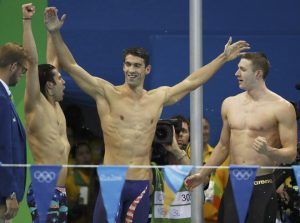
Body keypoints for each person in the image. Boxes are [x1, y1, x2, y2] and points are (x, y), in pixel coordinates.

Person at [44, 6, 249, 222]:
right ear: (123, 67)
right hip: (112, 181)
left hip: (140, 184)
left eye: (137, 65)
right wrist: (55, 33)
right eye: (128, 64)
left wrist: (223, 58)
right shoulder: (106, 93)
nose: (132, 69)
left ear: (147, 70)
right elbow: (72, 66)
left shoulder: (157, 98)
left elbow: (192, 82)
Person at [185, 52, 298, 223]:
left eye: (242, 69)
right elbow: (223, 146)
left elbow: (290, 153)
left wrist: (269, 151)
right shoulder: (230, 104)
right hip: (235, 184)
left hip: (263, 185)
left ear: (258, 73)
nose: (236, 73)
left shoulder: (282, 108)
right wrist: (203, 174)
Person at [22, 3, 70, 222]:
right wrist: (27, 22)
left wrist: (53, 32)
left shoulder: (56, 105)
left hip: (60, 190)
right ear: (49, 85)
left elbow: (53, 61)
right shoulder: (36, 104)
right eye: (59, 79)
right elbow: (32, 63)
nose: (64, 81)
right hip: (44, 188)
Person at [0, 42, 28, 223]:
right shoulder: (1, 98)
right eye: (22, 71)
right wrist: (9, 192)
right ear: (13, 66)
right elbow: (3, 147)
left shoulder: (4, 96)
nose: (21, 76)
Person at [149, 127, 191, 223]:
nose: (180, 134)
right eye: (175, 131)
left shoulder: (197, 165)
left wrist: (176, 150)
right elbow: (145, 185)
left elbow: (201, 179)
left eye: (183, 131)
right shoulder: (155, 169)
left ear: (189, 137)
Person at [66, 142, 93, 223]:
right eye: (80, 154)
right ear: (75, 159)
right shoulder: (71, 181)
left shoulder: (97, 176)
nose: (85, 156)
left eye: (87, 152)